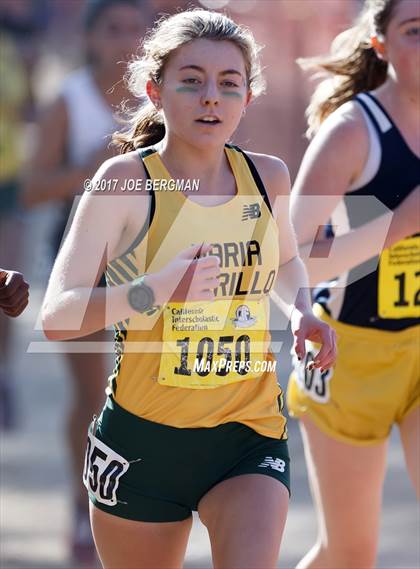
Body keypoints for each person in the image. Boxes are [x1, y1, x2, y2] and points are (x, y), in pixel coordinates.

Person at [42, 9, 336, 569]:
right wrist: (151, 292)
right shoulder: (126, 181)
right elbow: (58, 315)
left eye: (229, 84)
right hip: (143, 445)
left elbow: (288, 261)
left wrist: (302, 313)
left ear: (247, 98)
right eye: (192, 80)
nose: (211, 98)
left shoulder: (266, 176)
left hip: (248, 434)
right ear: (156, 90)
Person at [286, 1, 419, 567]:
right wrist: (401, 224)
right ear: (381, 43)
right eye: (416, 31)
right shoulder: (352, 132)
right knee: (349, 554)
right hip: (346, 353)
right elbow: (286, 262)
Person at [22, 0, 146, 564]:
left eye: (136, 29)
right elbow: (32, 190)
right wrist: (97, 170)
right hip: (82, 261)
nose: (124, 40)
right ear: (90, 37)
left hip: (154, 258)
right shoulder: (68, 101)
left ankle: (143, 507)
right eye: (113, 28)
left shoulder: (168, 97)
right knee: (93, 393)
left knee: (148, 391)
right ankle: (83, 502)